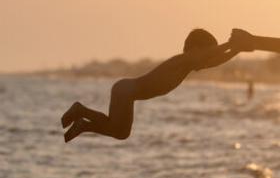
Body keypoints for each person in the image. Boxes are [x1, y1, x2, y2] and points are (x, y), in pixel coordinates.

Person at [62, 29, 238, 142]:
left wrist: (236, 50)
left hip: (127, 92)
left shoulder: (188, 66)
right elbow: (210, 54)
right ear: (195, 49)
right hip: (126, 90)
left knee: (121, 132)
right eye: (206, 54)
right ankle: (80, 112)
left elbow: (214, 60)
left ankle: (83, 122)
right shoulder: (181, 60)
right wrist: (232, 44)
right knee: (118, 130)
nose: (207, 60)